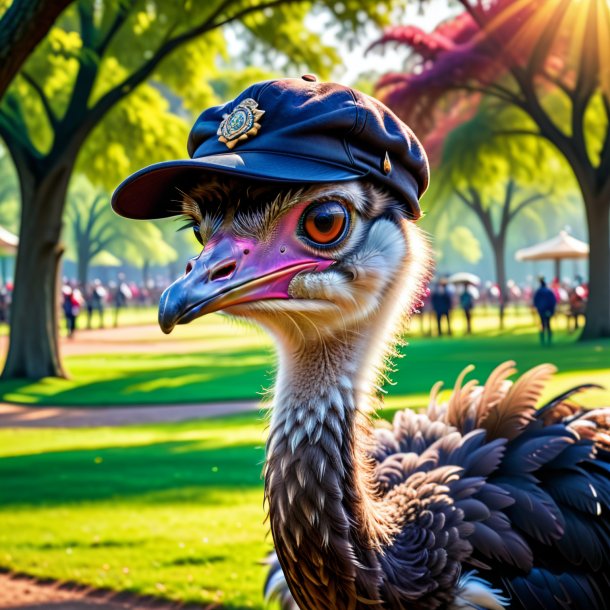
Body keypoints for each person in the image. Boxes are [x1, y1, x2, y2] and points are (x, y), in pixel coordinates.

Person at [533, 277, 557, 345]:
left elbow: (536, 301)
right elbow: (553, 301)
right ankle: (549, 340)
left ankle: (542, 341)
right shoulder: (549, 291)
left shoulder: (539, 292)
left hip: (542, 310)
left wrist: (538, 308)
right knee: (548, 324)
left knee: (543, 324)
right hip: (548, 309)